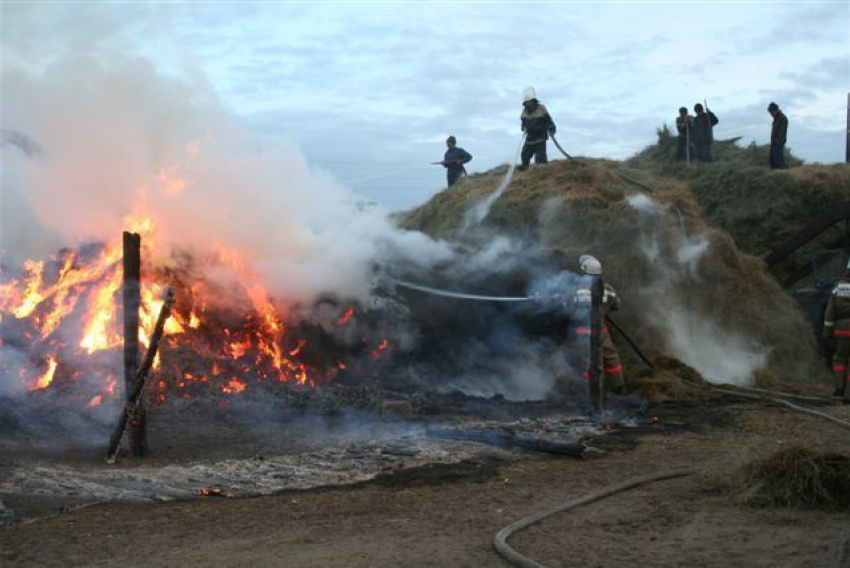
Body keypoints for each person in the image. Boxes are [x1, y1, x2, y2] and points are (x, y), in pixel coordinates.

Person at [563, 254, 625, 395]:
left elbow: (568, 309)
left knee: (585, 361)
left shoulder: (575, 288)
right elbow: (616, 306)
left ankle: (586, 390)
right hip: (601, 330)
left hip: (582, 332)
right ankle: (619, 388)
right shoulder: (607, 288)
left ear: (584, 270)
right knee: (611, 358)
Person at [823, 259, 850, 403]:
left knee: (840, 359)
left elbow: (829, 313)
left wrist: (827, 332)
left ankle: (839, 390)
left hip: (842, 330)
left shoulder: (838, 288)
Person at [518, 87, 556, 171]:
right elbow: (523, 123)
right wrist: (523, 128)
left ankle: (542, 173)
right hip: (529, 139)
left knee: (540, 159)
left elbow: (548, 120)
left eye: (530, 101)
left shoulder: (541, 108)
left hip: (540, 138)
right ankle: (524, 170)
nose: (529, 103)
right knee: (524, 154)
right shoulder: (524, 112)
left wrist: (551, 128)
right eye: (527, 102)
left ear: (534, 100)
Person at [767, 102, 788, 169]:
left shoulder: (783, 118)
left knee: (778, 161)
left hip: (779, 143)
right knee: (772, 161)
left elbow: (782, 133)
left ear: (774, 110)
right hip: (774, 142)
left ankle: (782, 175)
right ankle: (775, 174)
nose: (771, 115)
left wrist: (778, 142)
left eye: (771, 113)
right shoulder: (776, 119)